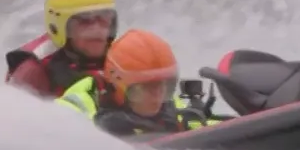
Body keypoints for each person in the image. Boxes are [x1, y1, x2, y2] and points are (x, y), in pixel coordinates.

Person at [57, 29, 218, 136]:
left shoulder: (165, 102)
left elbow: (201, 126)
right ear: (116, 84)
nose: (157, 97)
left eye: (164, 86)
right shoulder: (75, 106)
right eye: (145, 87)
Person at [5, 0, 118, 99]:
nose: (98, 29)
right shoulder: (33, 72)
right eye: (85, 20)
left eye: (105, 19)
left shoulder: (121, 59)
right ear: (58, 26)